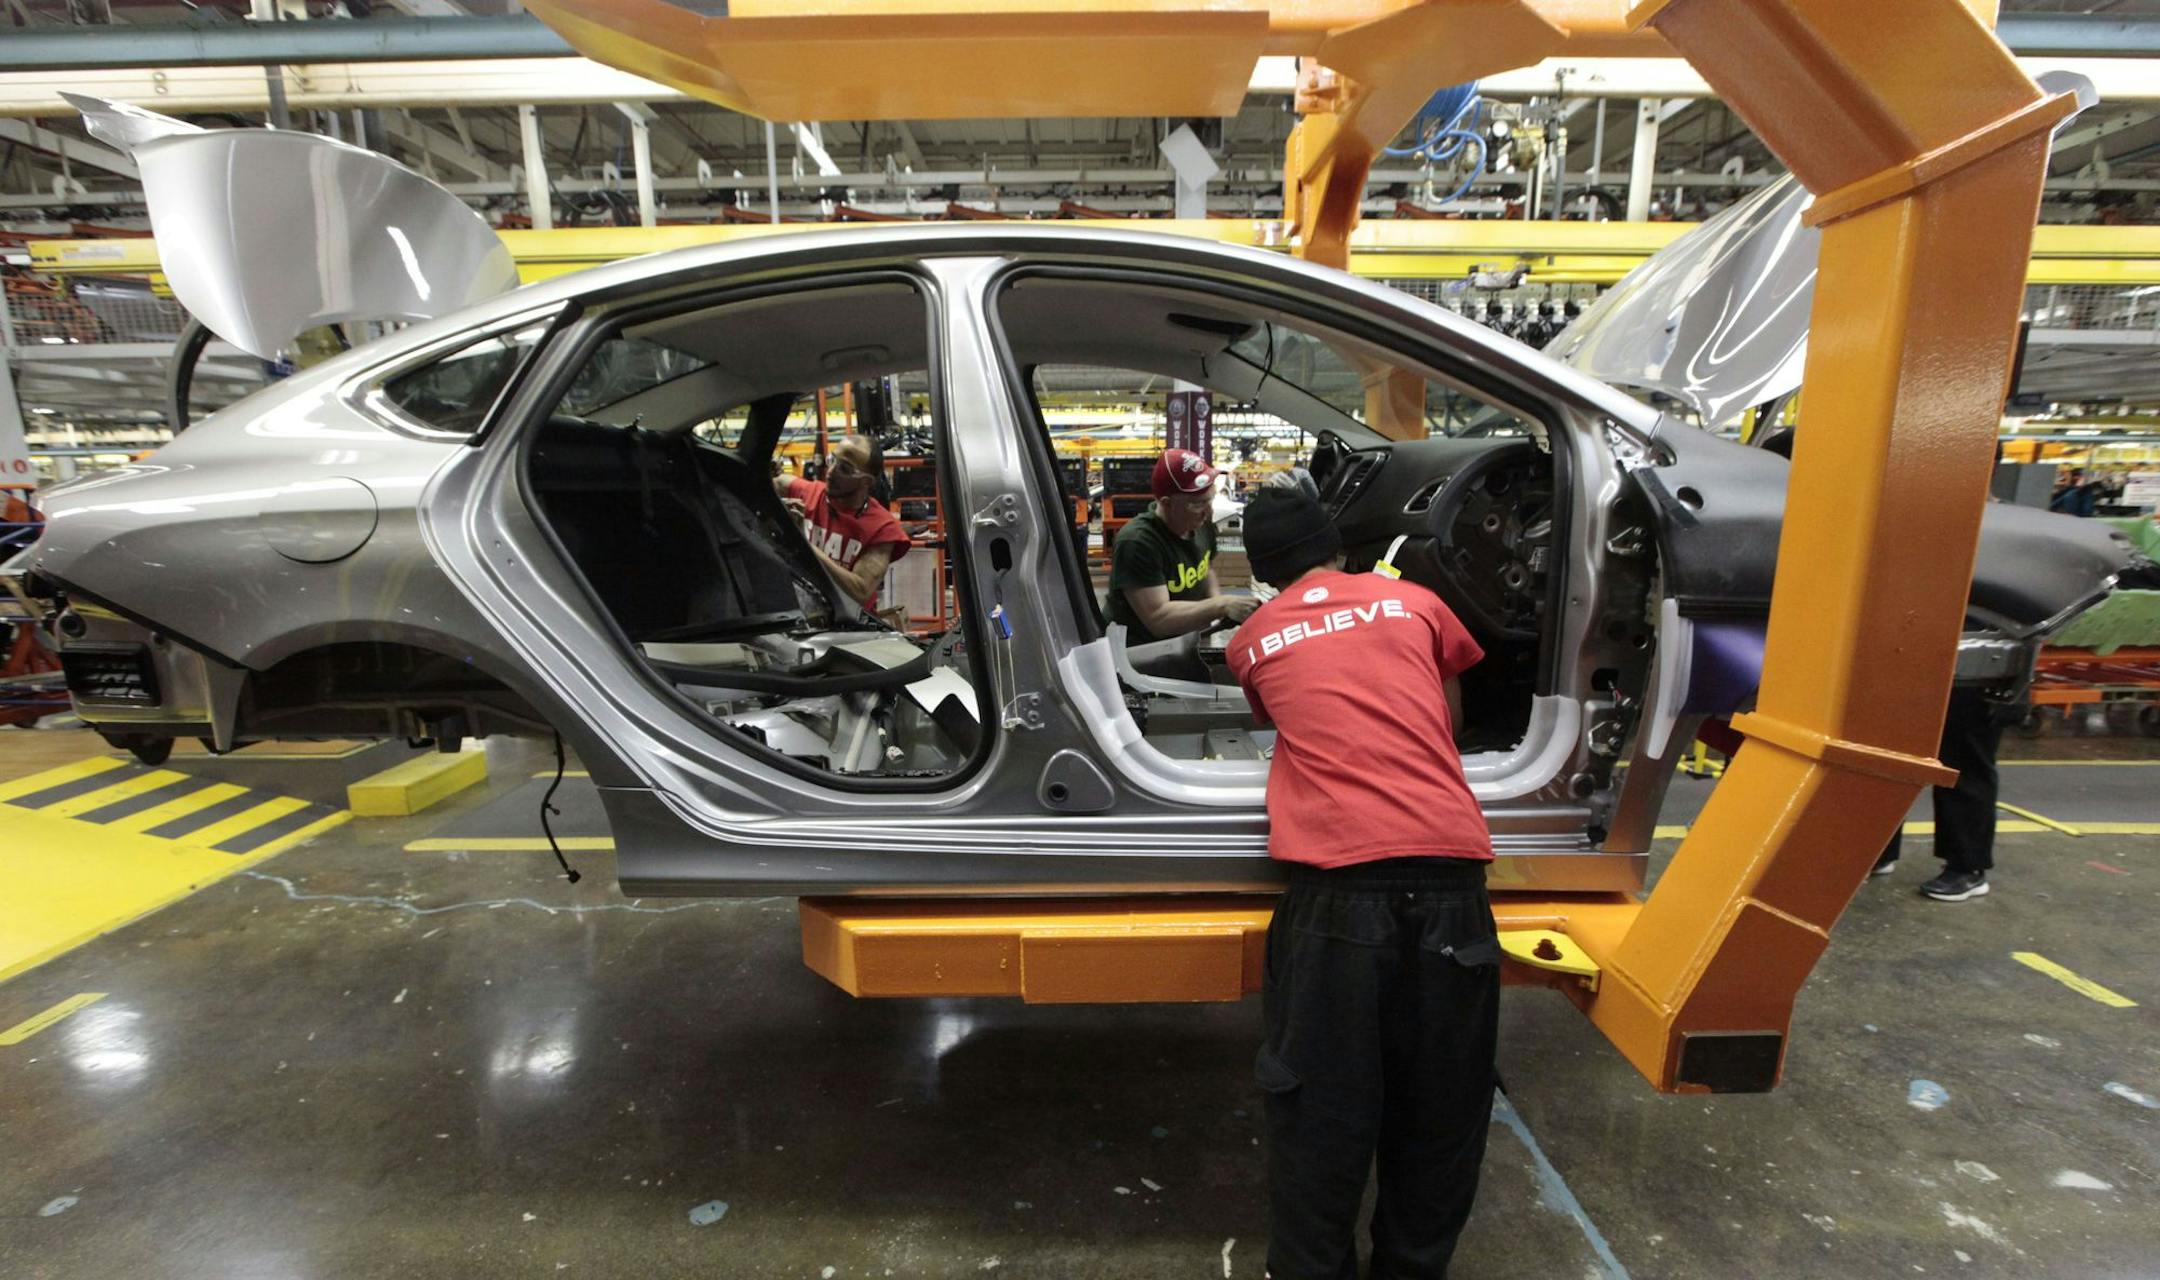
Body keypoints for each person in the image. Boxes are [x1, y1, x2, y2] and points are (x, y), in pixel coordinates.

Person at [1226, 484, 1499, 1280]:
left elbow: (1287, 720)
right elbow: (1447, 722)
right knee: (1440, 1116)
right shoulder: (1418, 604)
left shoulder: (1253, 638)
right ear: (1337, 546)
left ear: (1263, 572)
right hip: (1451, 880)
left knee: (1319, 1119)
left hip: (1338, 892)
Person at [1872, 685, 2012, 901]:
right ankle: (1878, 851)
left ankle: (1967, 867)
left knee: (1964, 767)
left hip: (1976, 678)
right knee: (1891, 760)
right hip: (1914, 675)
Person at [1107, 447, 1255, 645]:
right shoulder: (1138, 543)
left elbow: (1206, 569)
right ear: (1166, 503)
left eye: (1210, 499)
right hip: (1141, 652)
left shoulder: (1200, 524)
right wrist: (1220, 605)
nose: (1208, 511)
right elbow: (1158, 618)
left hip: (1185, 642)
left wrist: (1217, 612)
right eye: (1197, 504)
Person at [772, 432, 910, 610]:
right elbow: (775, 483)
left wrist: (802, 543)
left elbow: (860, 590)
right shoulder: (808, 493)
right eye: (832, 460)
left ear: (866, 482)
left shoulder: (881, 527)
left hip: (845, 621)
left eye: (845, 469)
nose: (830, 472)